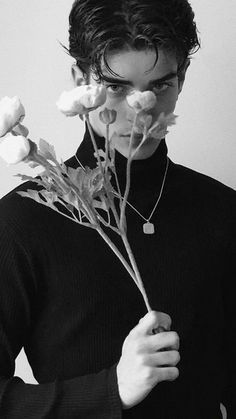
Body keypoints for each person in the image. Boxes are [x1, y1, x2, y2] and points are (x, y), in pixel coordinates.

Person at [0, 0, 235, 417]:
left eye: (160, 86)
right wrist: (113, 389)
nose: (139, 109)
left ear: (182, 78)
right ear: (79, 79)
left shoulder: (221, 211)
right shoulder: (23, 221)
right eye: (116, 87)